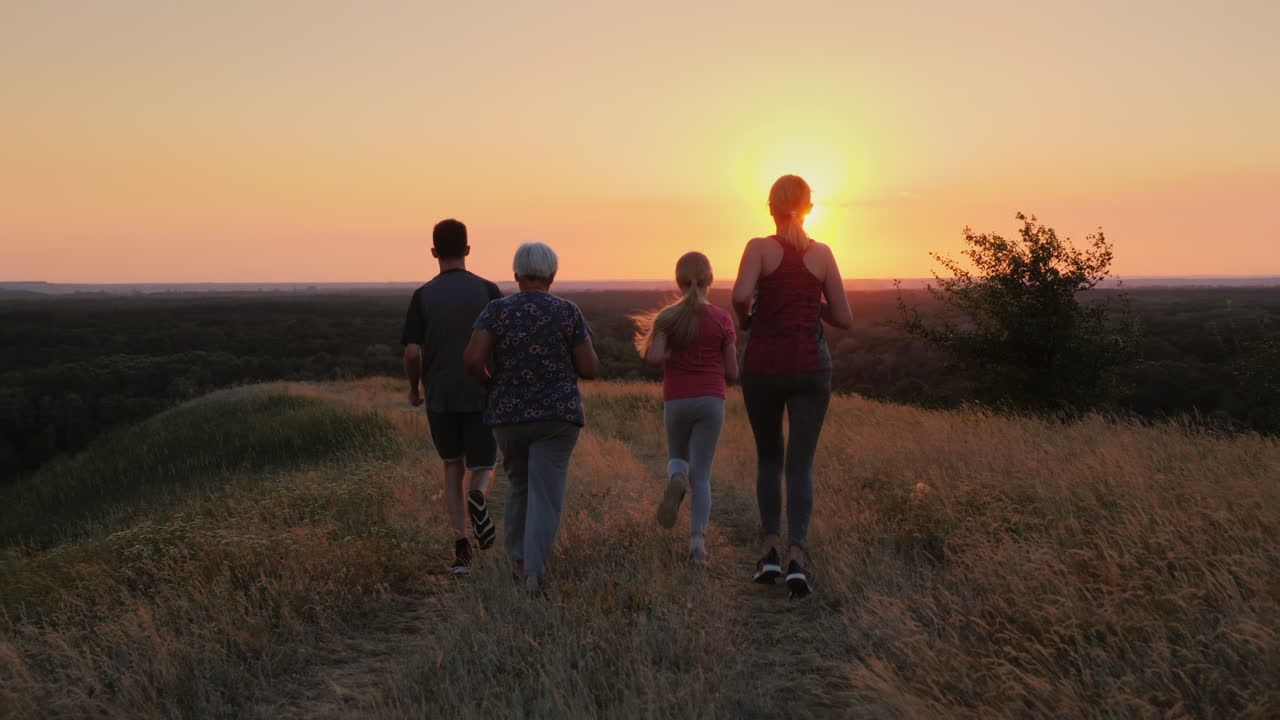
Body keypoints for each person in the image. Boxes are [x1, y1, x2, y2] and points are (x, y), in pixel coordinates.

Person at [731, 175, 853, 599]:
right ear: (809, 207)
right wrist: (809, 302)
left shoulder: (758, 248)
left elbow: (739, 294)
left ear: (770, 207)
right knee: (800, 465)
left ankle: (768, 552)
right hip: (810, 368)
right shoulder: (821, 254)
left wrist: (747, 319)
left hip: (763, 364)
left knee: (769, 459)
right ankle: (797, 559)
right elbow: (844, 317)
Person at [463, 242, 598, 595]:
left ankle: (519, 563)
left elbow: (472, 360)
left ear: (516, 276)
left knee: (519, 487)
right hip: (558, 417)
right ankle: (535, 575)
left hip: (508, 416)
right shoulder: (568, 312)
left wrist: (492, 386)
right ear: (552, 276)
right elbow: (590, 368)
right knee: (546, 494)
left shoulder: (496, 311)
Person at [401, 218, 503, 575]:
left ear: (433, 252)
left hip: (440, 394)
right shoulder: (489, 291)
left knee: (451, 465)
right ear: (468, 250)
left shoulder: (422, 296)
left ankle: (461, 548)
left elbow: (413, 353)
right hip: (482, 390)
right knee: (485, 465)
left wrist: (415, 389)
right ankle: (480, 495)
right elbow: (502, 345)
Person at [634, 252, 738, 566]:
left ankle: (677, 477)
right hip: (710, 399)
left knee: (678, 458)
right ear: (711, 280)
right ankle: (697, 546)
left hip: (677, 398)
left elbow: (654, 360)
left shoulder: (668, 318)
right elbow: (732, 372)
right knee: (703, 476)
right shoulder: (722, 319)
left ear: (678, 282)